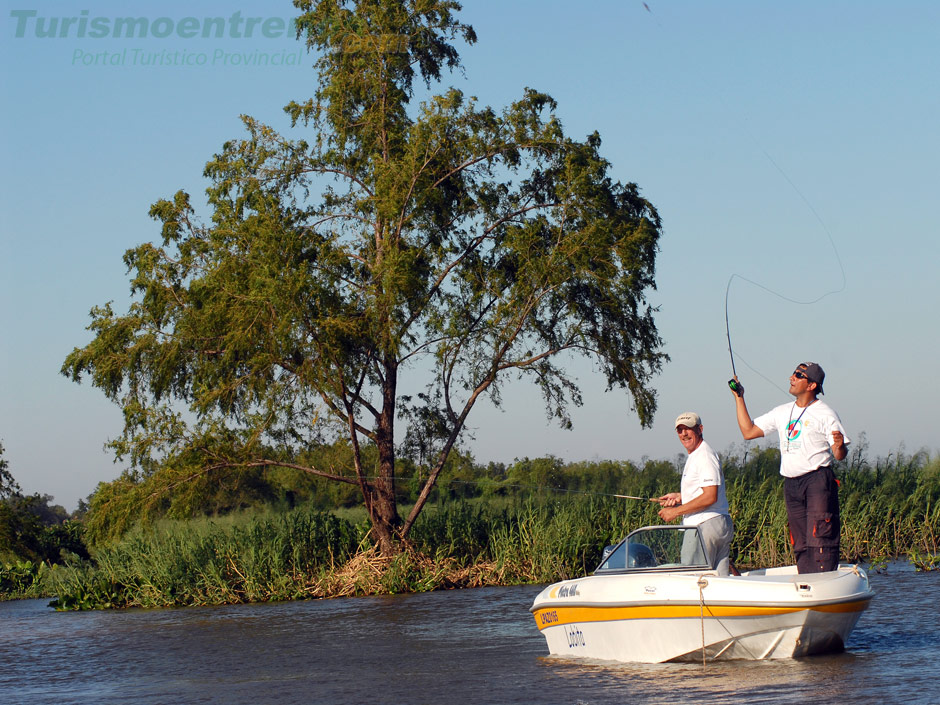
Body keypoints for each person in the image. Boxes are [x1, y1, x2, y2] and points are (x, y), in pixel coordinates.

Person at [730, 362, 849, 573]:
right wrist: (739, 397)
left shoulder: (826, 413)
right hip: (791, 483)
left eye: (798, 375)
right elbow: (748, 431)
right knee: (800, 542)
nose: (791, 378)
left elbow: (839, 455)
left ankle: (825, 580)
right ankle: (806, 581)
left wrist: (839, 446)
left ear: (812, 385)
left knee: (820, 537)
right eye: (793, 373)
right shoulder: (782, 411)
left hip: (818, 481)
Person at [657, 412, 734, 575]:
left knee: (693, 579)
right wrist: (679, 497)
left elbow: (710, 496)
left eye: (688, 429)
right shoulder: (697, 455)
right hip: (716, 524)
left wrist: (675, 512)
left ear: (700, 429)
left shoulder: (704, 456)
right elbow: (704, 492)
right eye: (680, 430)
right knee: (719, 581)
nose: (684, 434)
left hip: (704, 526)